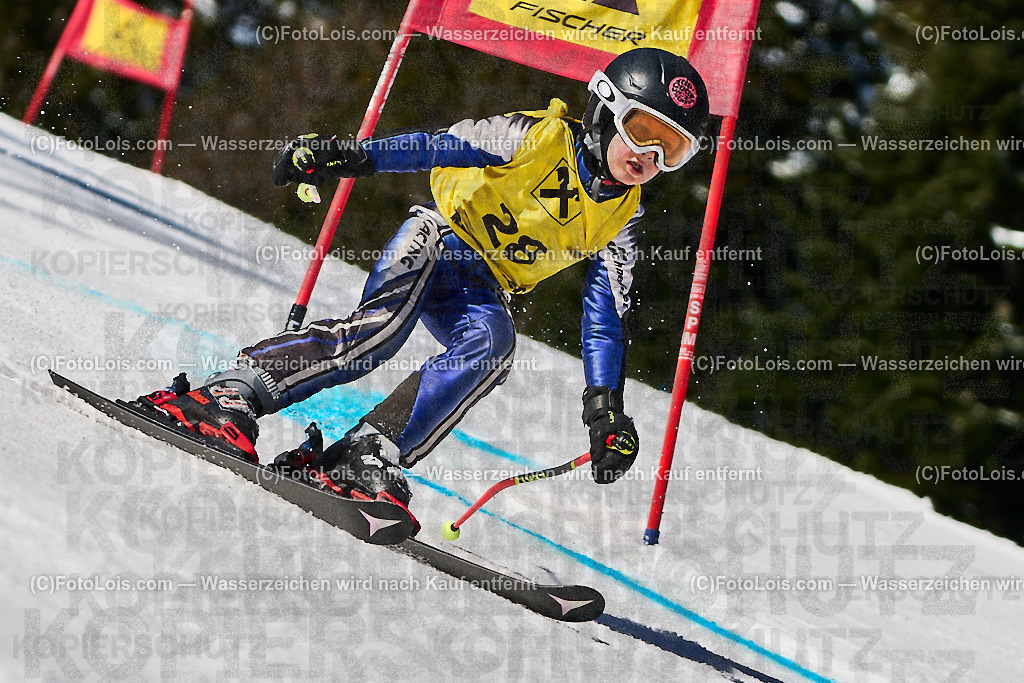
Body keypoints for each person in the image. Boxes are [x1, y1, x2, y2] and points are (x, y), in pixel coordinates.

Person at [138, 48, 710, 510]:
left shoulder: (623, 217)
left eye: (673, 150)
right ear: (605, 110)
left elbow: (605, 318)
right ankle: (228, 394)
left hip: (480, 287)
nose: (650, 156)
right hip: (437, 239)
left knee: (494, 346)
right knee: (376, 335)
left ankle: (364, 453)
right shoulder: (534, 137)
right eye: (642, 131)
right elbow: (438, 144)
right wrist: (349, 156)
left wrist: (605, 407)